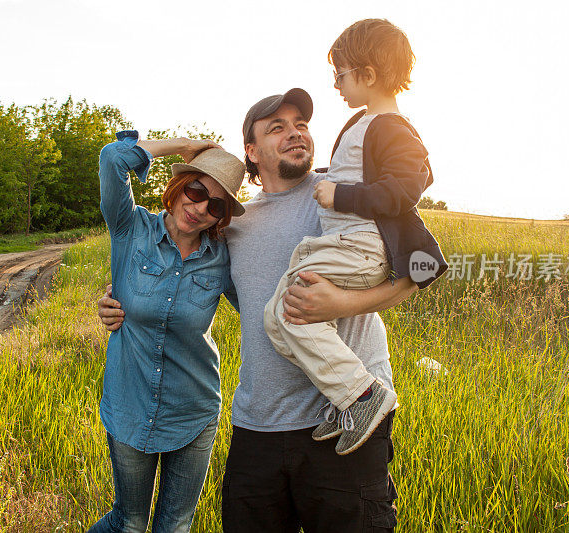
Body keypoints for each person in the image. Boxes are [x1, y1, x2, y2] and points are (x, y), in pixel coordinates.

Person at [100, 89, 417, 532]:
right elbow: (182, 273)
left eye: (301, 125)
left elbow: (416, 271)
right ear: (251, 151)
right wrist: (122, 300)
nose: (295, 134)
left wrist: (343, 303)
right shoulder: (231, 226)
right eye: (277, 127)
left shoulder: (343, 196)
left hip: (344, 417)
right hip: (258, 427)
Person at [262, 18, 448, 456]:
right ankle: (346, 397)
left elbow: (410, 185)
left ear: (367, 75)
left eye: (340, 74)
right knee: (277, 321)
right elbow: (354, 172)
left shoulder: (392, 126)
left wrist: (340, 194)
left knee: (290, 314)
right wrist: (329, 180)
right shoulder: (361, 122)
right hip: (341, 245)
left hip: (361, 247)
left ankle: (364, 396)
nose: (336, 84)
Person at [87, 130, 245, 533]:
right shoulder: (131, 228)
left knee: (174, 526)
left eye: (216, 204)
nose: (200, 208)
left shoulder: (223, 256)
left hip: (194, 409)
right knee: (130, 522)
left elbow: (259, 302)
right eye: (195, 189)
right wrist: (181, 145)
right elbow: (111, 159)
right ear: (177, 187)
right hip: (130, 404)